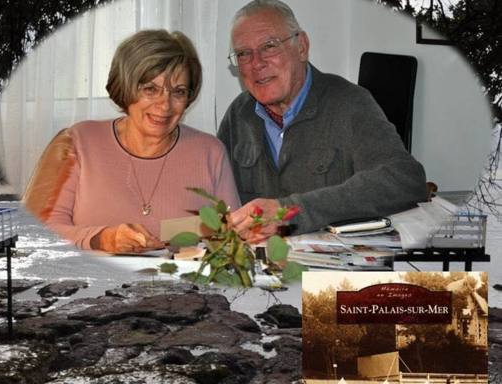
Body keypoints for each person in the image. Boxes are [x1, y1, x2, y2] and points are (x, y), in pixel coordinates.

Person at [218, 0, 427, 241]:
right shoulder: (239, 114)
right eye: (244, 54)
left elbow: (405, 180)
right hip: (262, 269)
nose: (256, 63)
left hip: (330, 272)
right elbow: (216, 197)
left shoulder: (349, 103)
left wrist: (293, 211)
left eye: (269, 46)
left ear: (302, 47)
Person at [24, 29, 240, 253]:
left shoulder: (210, 152)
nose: (164, 105)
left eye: (178, 92)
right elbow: (34, 232)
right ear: (124, 87)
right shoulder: (76, 142)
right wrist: (102, 239)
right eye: (150, 89)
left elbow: (233, 237)